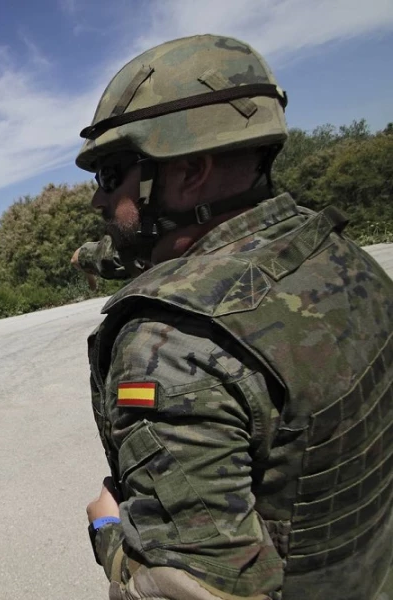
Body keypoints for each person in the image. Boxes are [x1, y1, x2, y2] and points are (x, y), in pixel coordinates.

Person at [74, 34, 393, 600]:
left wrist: (108, 534)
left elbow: (190, 588)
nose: (99, 199)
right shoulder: (339, 256)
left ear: (191, 171)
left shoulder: (171, 346)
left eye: (110, 173)